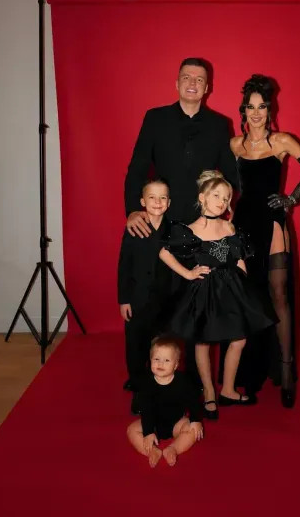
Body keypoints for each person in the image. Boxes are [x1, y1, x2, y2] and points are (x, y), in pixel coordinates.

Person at [230, 74, 300, 408]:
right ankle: (250, 370)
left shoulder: (281, 141)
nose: (256, 113)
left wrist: (291, 199)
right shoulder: (235, 145)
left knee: (279, 295)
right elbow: (224, 182)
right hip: (243, 223)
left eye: (262, 107)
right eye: (251, 106)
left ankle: (285, 372)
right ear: (243, 109)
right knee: (249, 296)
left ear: (270, 110)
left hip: (271, 222)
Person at [159, 170, 277, 420]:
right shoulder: (188, 230)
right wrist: (188, 273)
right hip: (204, 289)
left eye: (226, 198)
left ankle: (228, 389)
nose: (223, 202)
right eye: (217, 196)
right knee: (203, 341)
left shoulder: (229, 226)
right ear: (202, 197)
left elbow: (238, 257)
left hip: (232, 288)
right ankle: (210, 392)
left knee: (239, 339)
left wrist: (244, 286)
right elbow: (164, 253)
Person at [124, 57, 238, 236]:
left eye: (199, 79)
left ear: (206, 88)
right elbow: (138, 166)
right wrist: (132, 210)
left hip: (203, 225)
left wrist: (236, 209)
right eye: (186, 77)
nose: (192, 83)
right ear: (177, 84)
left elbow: (231, 174)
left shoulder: (219, 125)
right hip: (160, 220)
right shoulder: (155, 119)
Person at [118, 179, 172, 414]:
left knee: (162, 347)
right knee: (135, 346)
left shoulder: (174, 230)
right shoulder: (133, 228)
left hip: (165, 301)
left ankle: (163, 388)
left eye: (162, 198)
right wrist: (124, 299)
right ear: (142, 202)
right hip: (138, 300)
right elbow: (124, 265)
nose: (157, 202)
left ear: (169, 203)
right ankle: (139, 389)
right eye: (152, 197)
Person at [127, 336, 203, 468]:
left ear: (176, 365)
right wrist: (148, 432)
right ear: (150, 360)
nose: (160, 364)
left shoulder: (183, 381)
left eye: (167, 360)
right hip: (153, 424)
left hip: (176, 423)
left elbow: (194, 401)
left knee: (193, 431)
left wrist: (195, 419)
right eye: (156, 359)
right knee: (131, 430)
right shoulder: (146, 383)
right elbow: (146, 409)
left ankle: (173, 448)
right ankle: (152, 451)